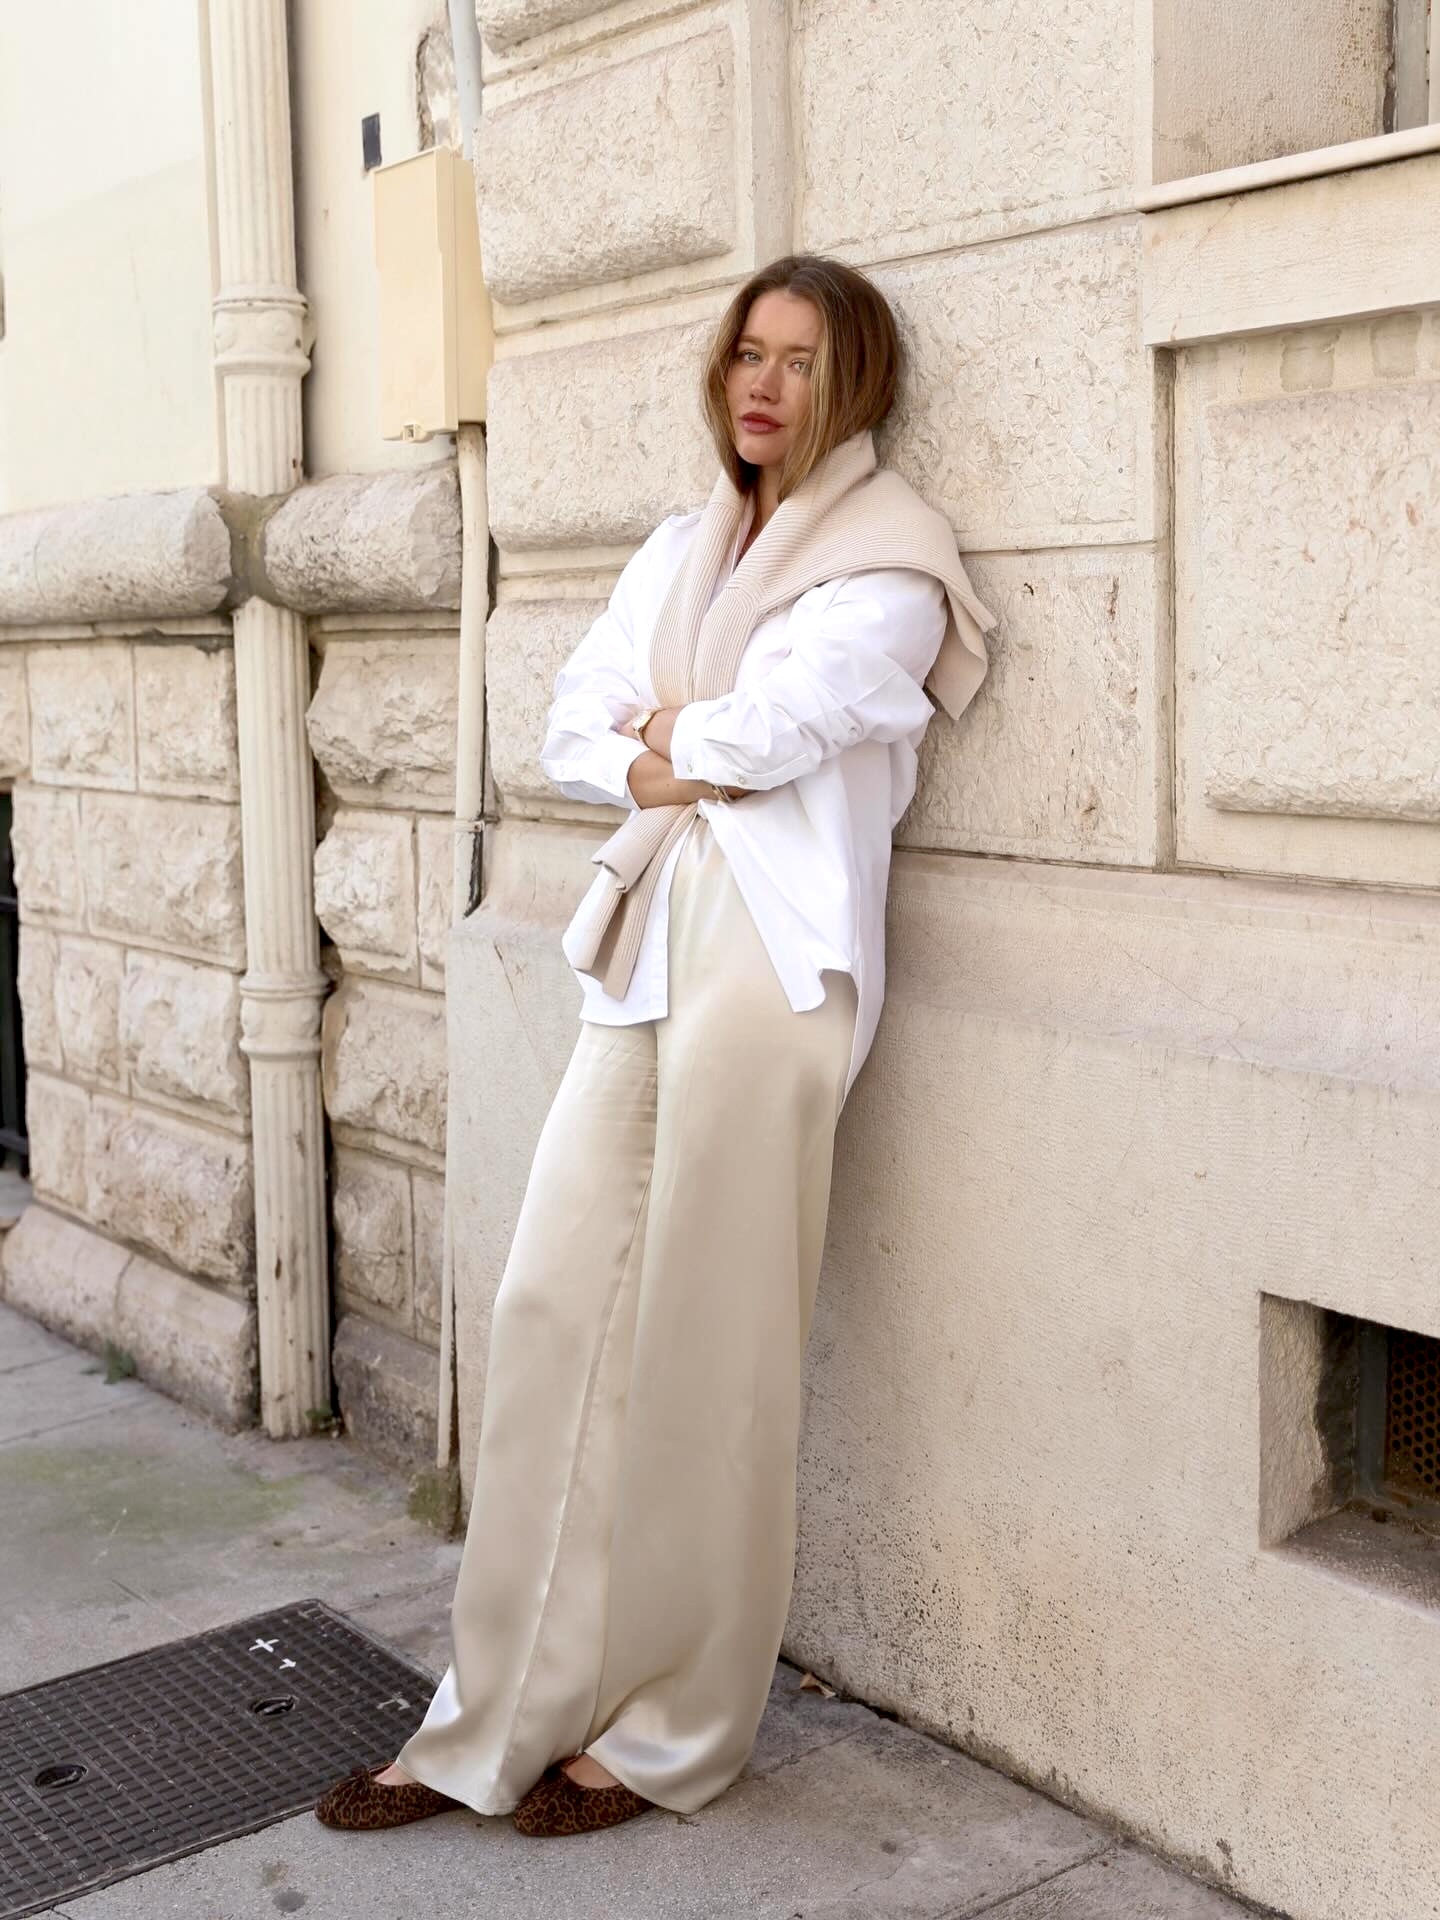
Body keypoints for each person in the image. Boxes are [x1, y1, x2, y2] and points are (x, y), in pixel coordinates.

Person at [314, 252, 995, 1840]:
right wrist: (679, 748)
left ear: (858, 384)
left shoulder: (896, 560)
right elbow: (567, 722)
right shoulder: (685, 549)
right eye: (747, 353)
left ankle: (675, 1731)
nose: (763, 385)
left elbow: (785, 723)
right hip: (648, 951)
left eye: (802, 361)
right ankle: (490, 1722)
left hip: (774, 960)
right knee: (554, 1296)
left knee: (711, 1344)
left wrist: (665, 741)